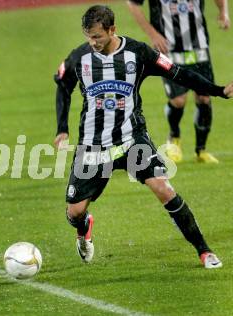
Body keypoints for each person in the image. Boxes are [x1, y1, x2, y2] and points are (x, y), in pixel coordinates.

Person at [54, 5, 232, 268]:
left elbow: (177, 73)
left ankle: (204, 251)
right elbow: (62, 86)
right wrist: (62, 128)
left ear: (112, 29)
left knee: (164, 188)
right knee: (75, 212)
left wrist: (218, 91)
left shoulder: (138, 53)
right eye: (88, 36)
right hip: (93, 145)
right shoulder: (79, 57)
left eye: (97, 36)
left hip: (131, 139)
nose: (92, 42)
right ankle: (84, 229)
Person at [127, 0, 230, 163]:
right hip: (168, 48)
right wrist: (153, 34)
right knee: (178, 100)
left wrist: (223, 11)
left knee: (204, 98)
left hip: (199, 46)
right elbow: (132, 4)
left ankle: (201, 150)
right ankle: (174, 138)